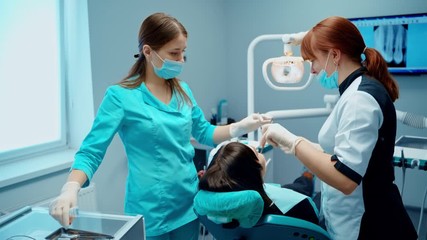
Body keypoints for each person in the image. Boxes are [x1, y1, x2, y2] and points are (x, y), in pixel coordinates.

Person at [49, 12, 271, 240]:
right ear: (148, 51)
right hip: (149, 210)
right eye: (174, 53)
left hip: (188, 203)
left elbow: (205, 133)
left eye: (183, 53)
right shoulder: (120, 97)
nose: (181, 60)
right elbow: (91, 151)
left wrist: (242, 125)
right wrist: (71, 189)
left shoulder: (183, 91)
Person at [260, 16, 417, 240]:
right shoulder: (354, 90)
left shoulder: (359, 99)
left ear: (334, 55)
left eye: (313, 60)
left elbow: (345, 178)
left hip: (370, 224)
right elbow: (342, 152)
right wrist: (298, 144)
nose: (312, 70)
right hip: (353, 218)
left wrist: (295, 144)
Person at [198, 141, 319, 225]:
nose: (258, 151)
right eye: (256, 153)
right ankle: (308, 174)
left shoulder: (216, 211)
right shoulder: (297, 204)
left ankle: (307, 175)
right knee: (311, 191)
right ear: (255, 171)